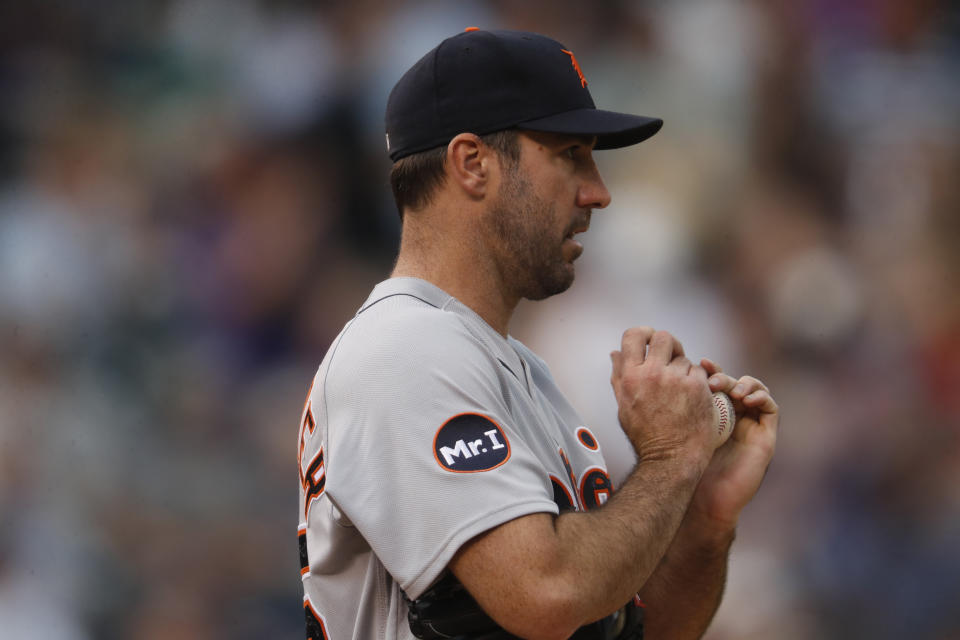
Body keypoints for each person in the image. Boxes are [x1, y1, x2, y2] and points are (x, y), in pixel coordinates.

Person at [296, 28, 778, 640]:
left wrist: (704, 511)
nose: (598, 192)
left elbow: (616, 628)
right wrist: (670, 457)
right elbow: (545, 594)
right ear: (473, 163)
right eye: (571, 153)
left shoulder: (515, 371)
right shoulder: (404, 349)